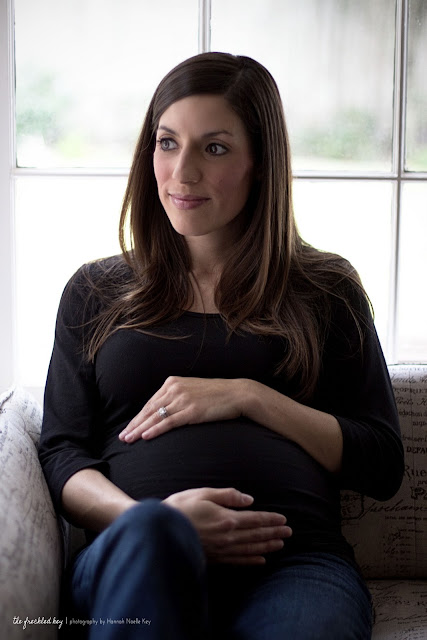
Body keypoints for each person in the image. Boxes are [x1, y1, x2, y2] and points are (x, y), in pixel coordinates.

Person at [39, 52, 404, 640]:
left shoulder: (325, 289)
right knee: (153, 538)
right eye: (167, 143)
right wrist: (153, 521)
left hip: (295, 564)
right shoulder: (95, 291)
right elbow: (62, 453)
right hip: (140, 554)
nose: (182, 173)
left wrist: (251, 397)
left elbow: (382, 462)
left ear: (260, 164)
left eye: (214, 148)